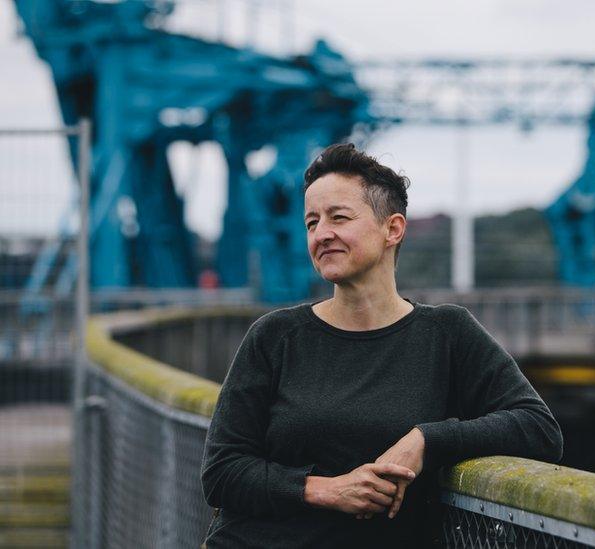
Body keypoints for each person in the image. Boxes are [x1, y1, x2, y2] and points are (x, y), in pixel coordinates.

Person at [200, 143, 563, 548]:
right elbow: (221, 472)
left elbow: (538, 428)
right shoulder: (275, 336)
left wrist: (427, 439)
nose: (322, 234)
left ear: (393, 229)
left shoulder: (447, 333)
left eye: (339, 217)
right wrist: (326, 490)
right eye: (312, 222)